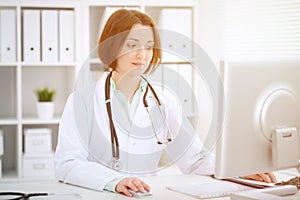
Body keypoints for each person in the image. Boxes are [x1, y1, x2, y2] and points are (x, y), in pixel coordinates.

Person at [54, 9, 276, 197]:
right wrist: (114, 181)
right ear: (112, 46)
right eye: (132, 44)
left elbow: (195, 159)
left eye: (149, 46)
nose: (143, 55)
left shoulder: (163, 101)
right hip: (100, 194)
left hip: (148, 194)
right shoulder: (81, 101)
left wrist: (238, 170)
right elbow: (67, 163)